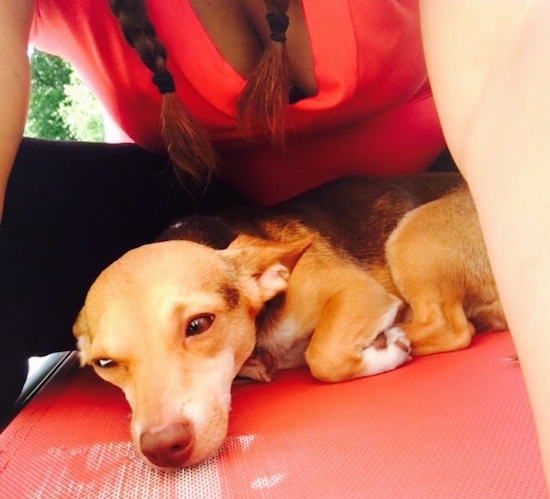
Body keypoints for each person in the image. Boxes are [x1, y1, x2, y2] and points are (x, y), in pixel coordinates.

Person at [1, 0, 549, 488]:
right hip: (198, 206)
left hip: (430, 184)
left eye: (195, 325)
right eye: (105, 361)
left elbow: (511, 61)